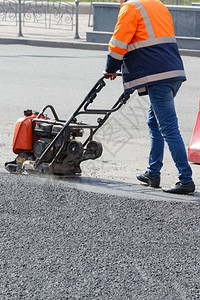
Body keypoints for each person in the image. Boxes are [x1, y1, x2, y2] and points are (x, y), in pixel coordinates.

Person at [103, 0, 195, 194]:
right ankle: (153, 173)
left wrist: (110, 68)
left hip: (157, 77)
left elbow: (119, 42)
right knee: (154, 122)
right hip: (173, 72)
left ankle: (185, 179)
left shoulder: (130, 8)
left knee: (168, 128)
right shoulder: (158, 4)